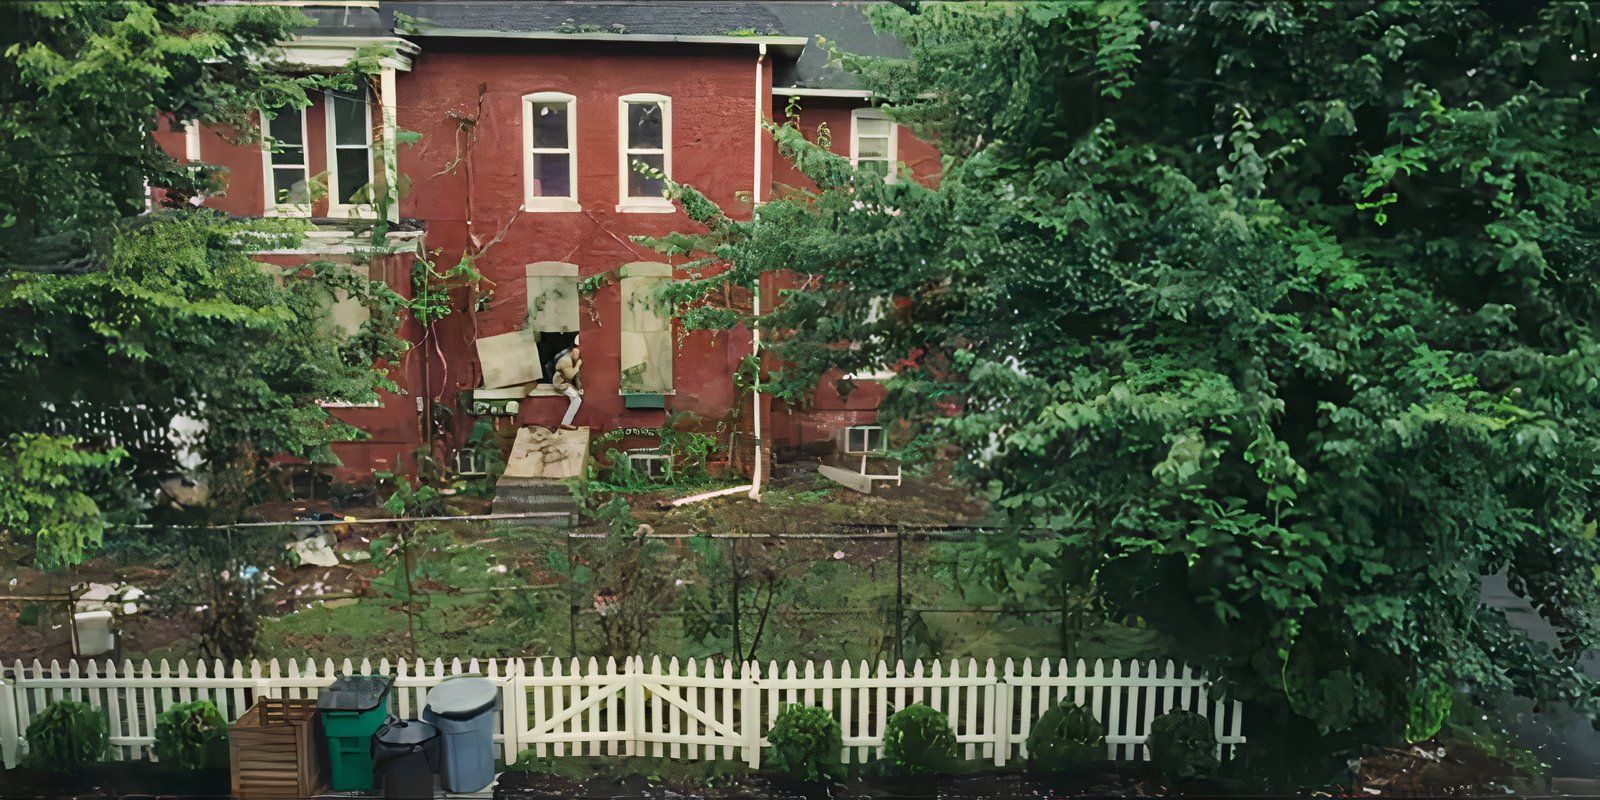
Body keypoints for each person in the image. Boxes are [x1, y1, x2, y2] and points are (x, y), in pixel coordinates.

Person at [549, 336, 583, 427]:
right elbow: (570, 375)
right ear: (572, 349)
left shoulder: (573, 359)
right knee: (577, 399)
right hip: (560, 384)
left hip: (568, 383)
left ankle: (565, 423)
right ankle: (565, 424)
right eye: (577, 349)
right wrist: (578, 366)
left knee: (578, 395)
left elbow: (576, 376)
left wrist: (579, 387)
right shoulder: (565, 360)